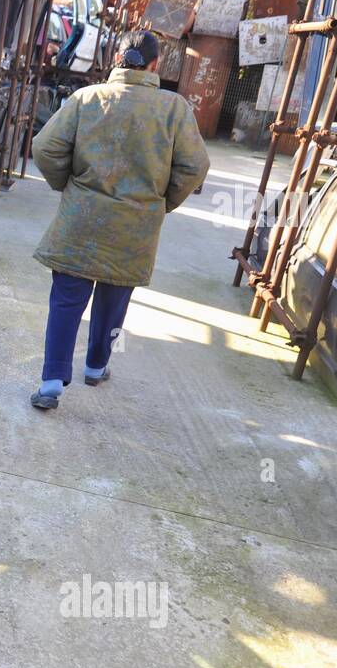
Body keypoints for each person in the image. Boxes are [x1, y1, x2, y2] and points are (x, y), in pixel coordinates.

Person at [27, 29, 209, 411]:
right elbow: (195, 165)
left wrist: (67, 185)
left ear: (117, 58)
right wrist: (161, 202)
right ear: (156, 64)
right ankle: (95, 366)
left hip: (82, 220)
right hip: (135, 227)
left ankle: (51, 383)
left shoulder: (85, 99)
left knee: (66, 299)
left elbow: (45, 147)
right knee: (114, 297)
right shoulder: (174, 109)